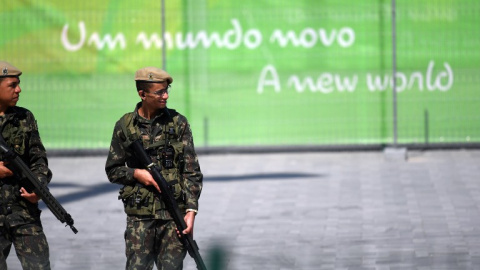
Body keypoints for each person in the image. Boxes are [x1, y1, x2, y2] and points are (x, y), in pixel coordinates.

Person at [105, 67, 203, 270]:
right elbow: (113, 170)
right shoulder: (125, 126)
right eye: (160, 92)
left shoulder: (178, 123)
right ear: (142, 94)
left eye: (167, 90)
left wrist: (191, 211)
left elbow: (192, 171)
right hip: (140, 219)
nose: (165, 96)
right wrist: (136, 174)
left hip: (173, 218)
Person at [0, 61, 52, 269]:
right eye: (12, 85)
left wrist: (38, 188)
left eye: (18, 84)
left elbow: (39, 160)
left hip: (23, 211)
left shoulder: (24, 118)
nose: (19, 89)